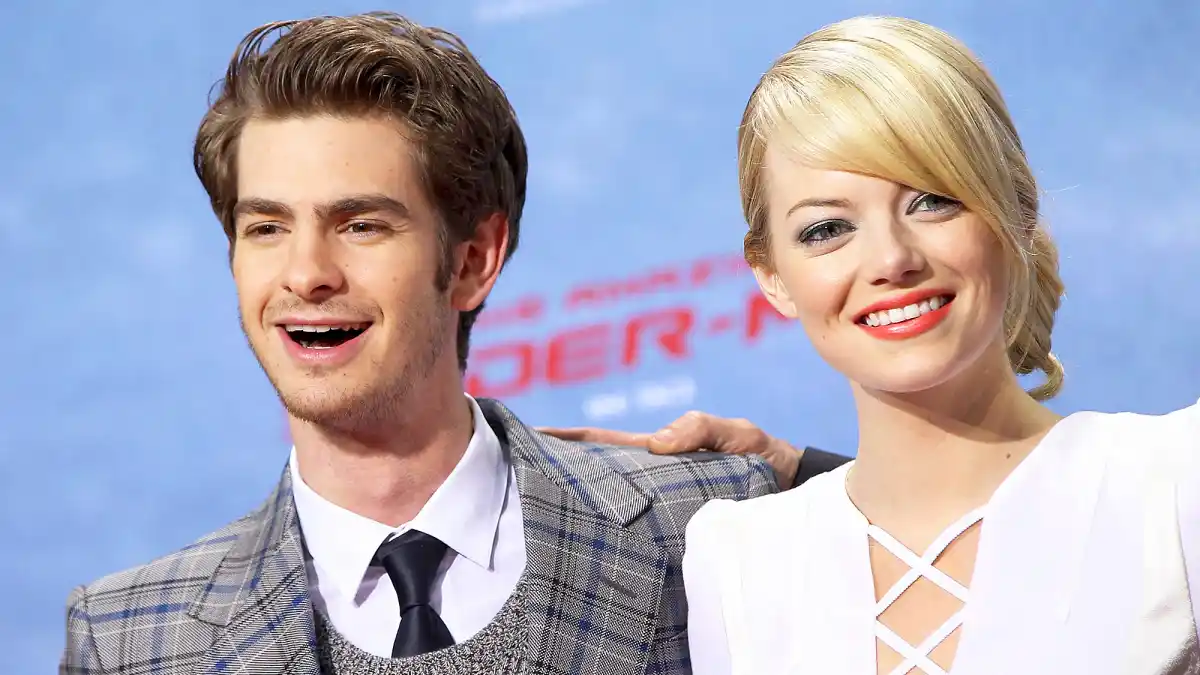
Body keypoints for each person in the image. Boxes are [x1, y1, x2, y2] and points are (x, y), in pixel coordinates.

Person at [57, 13, 847, 675]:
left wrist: (808, 476)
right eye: (266, 227)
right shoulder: (131, 637)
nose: (305, 273)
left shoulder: (706, 525)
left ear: (473, 259)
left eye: (360, 224)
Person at [672, 15, 1200, 675]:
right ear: (771, 274)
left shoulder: (1176, 481)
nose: (892, 258)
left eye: (932, 201)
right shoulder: (736, 562)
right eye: (828, 228)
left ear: (1016, 209)